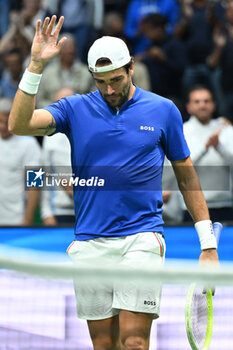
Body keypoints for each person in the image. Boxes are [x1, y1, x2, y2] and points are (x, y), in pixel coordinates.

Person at [8, 16, 219, 350]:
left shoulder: (163, 110)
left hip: (142, 238)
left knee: (134, 341)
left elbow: (186, 174)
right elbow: (19, 124)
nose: (109, 90)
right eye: (101, 82)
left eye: (116, 80)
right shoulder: (74, 108)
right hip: (90, 242)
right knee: (104, 344)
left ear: (132, 67)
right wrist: (35, 64)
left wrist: (207, 243)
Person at [182, 85, 233, 222]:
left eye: (206, 101)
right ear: (188, 107)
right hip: (192, 206)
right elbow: (181, 168)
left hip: (225, 204)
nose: (202, 105)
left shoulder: (226, 129)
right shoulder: (182, 132)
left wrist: (219, 148)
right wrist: (204, 149)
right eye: (197, 102)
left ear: (213, 105)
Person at [0, 97, 41, 226]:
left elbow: (35, 185)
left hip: (16, 221)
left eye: (6, 122)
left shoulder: (29, 144)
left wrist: (27, 220)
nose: (2, 126)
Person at [41, 87, 75, 226]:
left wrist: (79, 192)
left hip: (88, 211)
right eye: (58, 103)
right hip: (59, 213)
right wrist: (46, 212)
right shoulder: (49, 137)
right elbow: (42, 175)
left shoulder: (89, 133)